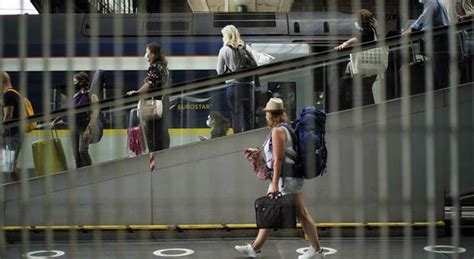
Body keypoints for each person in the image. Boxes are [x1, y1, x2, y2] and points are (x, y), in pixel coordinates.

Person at [236, 98, 325, 259]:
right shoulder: (286, 128)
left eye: (266, 114)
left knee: (295, 214)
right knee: (285, 212)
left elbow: (278, 159)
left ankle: (317, 251)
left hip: (286, 178)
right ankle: (255, 248)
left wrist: (275, 183)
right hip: (291, 176)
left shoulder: (278, 131)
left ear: (270, 114)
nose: (265, 117)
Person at [127, 42, 171, 152]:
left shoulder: (154, 67)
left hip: (153, 105)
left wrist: (137, 92)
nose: (146, 56)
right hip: (164, 102)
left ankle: (154, 156)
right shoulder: (164, 67)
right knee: (162, 129)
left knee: (152, 132)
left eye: (147, 53)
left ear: (152, 54)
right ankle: (164, 153)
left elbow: (150, 83)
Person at [332, 9, 379, 110]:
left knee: (365, 95)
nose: (356, 22)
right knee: (364, 93)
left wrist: (344, 44)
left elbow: (356, 39)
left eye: (357, 19)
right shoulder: (372, 30)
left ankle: (370, 114)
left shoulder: (368, 31)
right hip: (369, 67)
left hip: (366, 69)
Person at [53, 72, 99, 168]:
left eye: (75, 81)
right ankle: (80, 174)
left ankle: (89, 171)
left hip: (85, 126)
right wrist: (57, 119)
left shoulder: (92, 95)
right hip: (74, 127)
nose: (73, 84)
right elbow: (67, 109)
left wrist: (88, 128)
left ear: (82, 82)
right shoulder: (76, 95)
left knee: (82, 150)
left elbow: (95, 113)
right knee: (76, 153)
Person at [216, 24, 256, 134]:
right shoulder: (246, 48)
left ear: (227, 36)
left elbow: (219, 71)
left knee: (236, 114)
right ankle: (249, 137)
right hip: (248, 86)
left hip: (233, 86)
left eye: (223, 35)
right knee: (248, 115)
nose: (222, 38)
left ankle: (238, 138)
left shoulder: (224, 50)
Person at [403, 0, 450, 89]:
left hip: (439, 42)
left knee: (441, 71)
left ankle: (446, 94)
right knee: (442, 70)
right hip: (441, 40)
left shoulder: (431, 2)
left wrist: (412, 28)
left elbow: (424, 17)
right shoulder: (436, 2)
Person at [2, 71, 23, 181]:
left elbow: (8, 116)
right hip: (15, 134)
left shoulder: (8, 95)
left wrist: (1, 135)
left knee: (10, 166)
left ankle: (19, 192)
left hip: (12, 135)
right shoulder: (15, 93)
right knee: (10, 165)